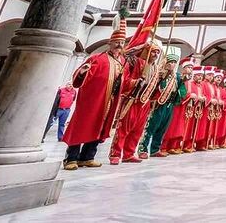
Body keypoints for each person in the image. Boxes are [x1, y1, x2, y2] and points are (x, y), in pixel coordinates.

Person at [62, 15, 127, 170]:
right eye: (117, 42)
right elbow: (79, 76)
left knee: (100, 127)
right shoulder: (98, 58)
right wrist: (83, 72)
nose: (119, 45)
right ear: (110, 43)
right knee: (82, 126)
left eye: (122, 43)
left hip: (109, 101)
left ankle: (87, 156)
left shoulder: (122, 62)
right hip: (92, 100)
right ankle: (71, 158)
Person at [109, 41, 161, 165]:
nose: (155, 54)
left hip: (145, 102)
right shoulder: (136, 62)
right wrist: (135, 82)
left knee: (137, 130)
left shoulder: (155, 68)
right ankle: (115, 154)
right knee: (124, 128)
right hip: (132, 99)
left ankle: (129, 153)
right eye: (153, 51)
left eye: (157, 52)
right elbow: (126, 76)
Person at [138, 51, 185, 158]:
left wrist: (179, 92)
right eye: (170, 62)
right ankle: (143, 149)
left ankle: (155, 149)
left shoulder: (177, 76)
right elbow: (152, 87)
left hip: (169, 105)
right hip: (158, 104)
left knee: (162, 128)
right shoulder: (159, 74)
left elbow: (183, 91)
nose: (172, 64)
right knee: (151, 127)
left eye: (174, 62)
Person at [161, 57, 195, 154]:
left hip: (184, 108)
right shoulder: (179, 78)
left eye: (191, 68)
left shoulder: (189, 81)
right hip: (177, 105)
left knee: (179, 128)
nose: (190, 69)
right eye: (188, 67)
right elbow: (180, 90)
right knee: (171, 127)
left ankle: (174, 146)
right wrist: (189, 96)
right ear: (183, 68)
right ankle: (164, 147)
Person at [182, 66, 207, 153]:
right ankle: (183, 145)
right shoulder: (188, 83)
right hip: (189, 109)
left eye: (201, 76)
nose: (200, 77)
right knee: (187, 127)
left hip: (197, 110)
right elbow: (185, 94)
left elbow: (202, 95)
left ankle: (190, 145)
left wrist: (203, 98)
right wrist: (192, 96)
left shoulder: (200, 86)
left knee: (193, 128)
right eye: (198, 75)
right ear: (194, 76)